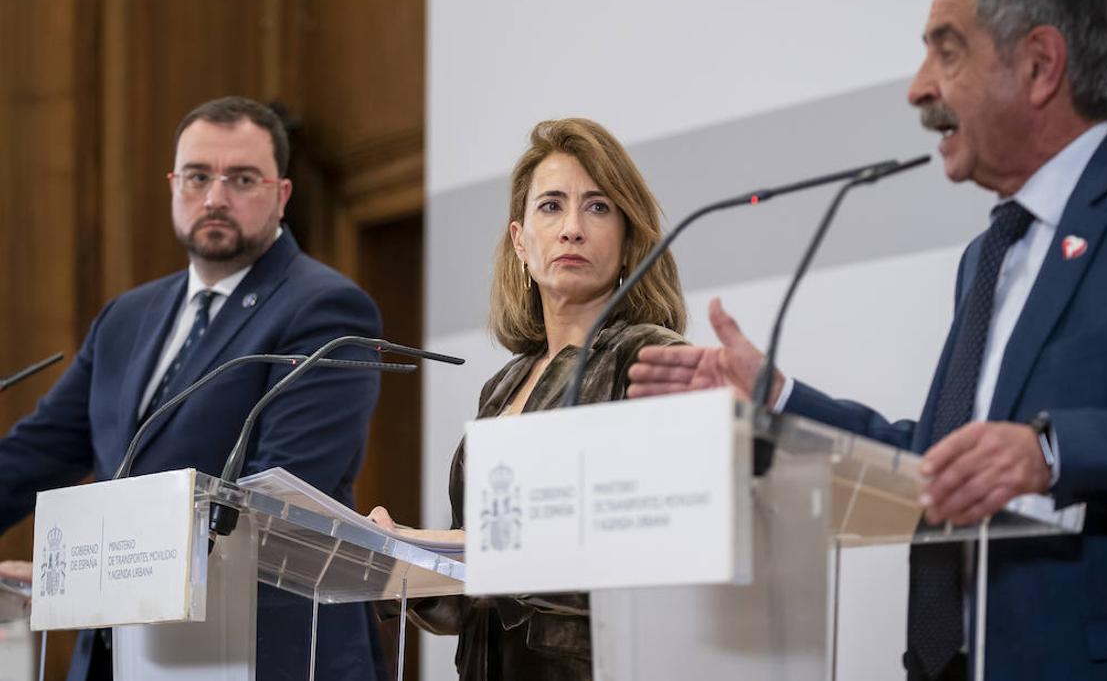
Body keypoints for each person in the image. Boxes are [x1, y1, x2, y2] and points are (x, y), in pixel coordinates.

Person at [628, 0, 1107, 681]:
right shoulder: (987, 258)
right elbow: (938, 463)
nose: (919, 86)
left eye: (946, 49)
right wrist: (775, 396)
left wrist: (1054, 453)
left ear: (1039, 65)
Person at [0, 96, 386, 680]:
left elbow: (271, 499)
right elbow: (39, 450)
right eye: (199, 177)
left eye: (241, 178)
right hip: (121, 653)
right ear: (173, 184)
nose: (215, 197)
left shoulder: (327, 310)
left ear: (282, 194)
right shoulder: (126, 318)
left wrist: (78, 577)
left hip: (257, 652)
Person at [369, 118, 687, 681]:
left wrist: (432, 543)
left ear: (628, 239)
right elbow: (473, 602)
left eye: (597, 207)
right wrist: (400, 564)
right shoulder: (502, 387)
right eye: (551, 207)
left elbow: (645, 541)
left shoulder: (648, 358)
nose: (571, 228)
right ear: (520, 240)